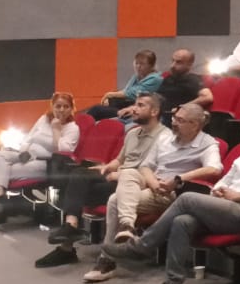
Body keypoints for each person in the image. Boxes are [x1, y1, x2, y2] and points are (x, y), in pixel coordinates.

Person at [103, 112, 240, 284]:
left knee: (186, 198)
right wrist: (218, 191)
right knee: (182, 222)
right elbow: (224, 181)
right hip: (223, 208)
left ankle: (143, 246)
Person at [75, 102, 222, 280]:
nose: (174, 123)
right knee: (128, 172)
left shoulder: (207, 143)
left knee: (114, 200)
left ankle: (107, 259)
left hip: (173, 191)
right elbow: (146, 166)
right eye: (174, 118)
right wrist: (153, 183)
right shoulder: (165, 139)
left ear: (195, 125)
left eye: (180, 120)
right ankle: (127, 227)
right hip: (153, 183)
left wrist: (179, 178)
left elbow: (214, 169)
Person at [35, 93, 155, 251]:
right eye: (135, 105)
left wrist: (119, 174)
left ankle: (69, 238)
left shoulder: (162, 137)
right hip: (117, 176)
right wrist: (106, 167)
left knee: (77, 185)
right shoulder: (133, 133)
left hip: (132, 184)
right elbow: (119, 160)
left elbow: (151, 170)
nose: (134, 109)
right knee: (79, 176)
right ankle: (70, 231)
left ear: (154, 111)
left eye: (140, 106)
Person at [0, 92, 78, 223]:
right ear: (52, 106)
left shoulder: (73, 128)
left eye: (66, 106)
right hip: (28, 155)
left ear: (71, 109)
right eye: (58, 106)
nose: (61, 110)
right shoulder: (44, 119)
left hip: (46, 163)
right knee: (0, 155)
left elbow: (61, 151)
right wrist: (24, 151)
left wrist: (56, 129)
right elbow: (29, 137)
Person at [86, 50, 162, 120]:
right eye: (136, 63)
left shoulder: (155, 79)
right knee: (102, 108)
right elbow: (125, 91)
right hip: (127, 106)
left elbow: (131, 94)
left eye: (142, 64)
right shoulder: (137, 76)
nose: (138, 66)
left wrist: (109, 95)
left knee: (97, 110)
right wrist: (110, 99)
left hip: (137, 112)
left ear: (151, 65)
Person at [155, 48, 214, 113]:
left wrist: (182, 108)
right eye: (173, 61)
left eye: (178, 62)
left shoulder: (192, 80)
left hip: (175, 116)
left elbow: (207, 97)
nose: (172, 65)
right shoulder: (169, 78)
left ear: (189, 65)